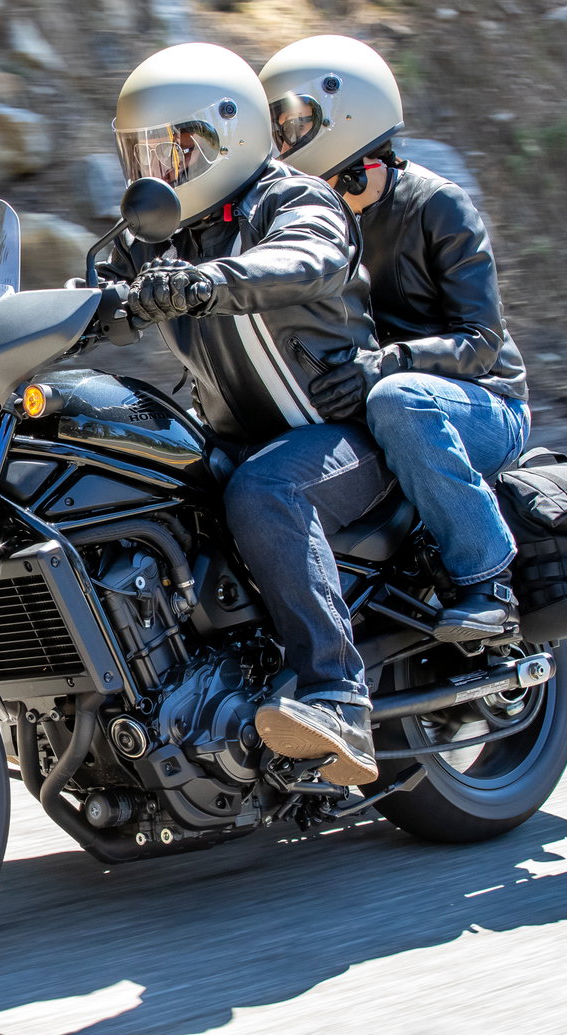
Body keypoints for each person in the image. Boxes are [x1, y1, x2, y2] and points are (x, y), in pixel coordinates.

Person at [105, 42, 389, 785]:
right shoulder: (159, 238)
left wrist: (204, 283)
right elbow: (90, 291)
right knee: (141, 478)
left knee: (267, 491)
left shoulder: (292, 200)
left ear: (224, 137)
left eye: (171, 149)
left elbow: (307, 258)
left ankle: (337, 695)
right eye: (139, 153)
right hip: (242, 441)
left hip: (345, 439)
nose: (153, 170)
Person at [259, 35, 530, 643]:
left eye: (294, 122)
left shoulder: (439, 206)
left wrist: (385, 365)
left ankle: (489, 579)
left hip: (481, 403)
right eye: (274, 126)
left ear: (348, 117)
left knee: (398, 399)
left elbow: (481, 342)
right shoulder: (304, 225)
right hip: (383, 399)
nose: (281, 140)